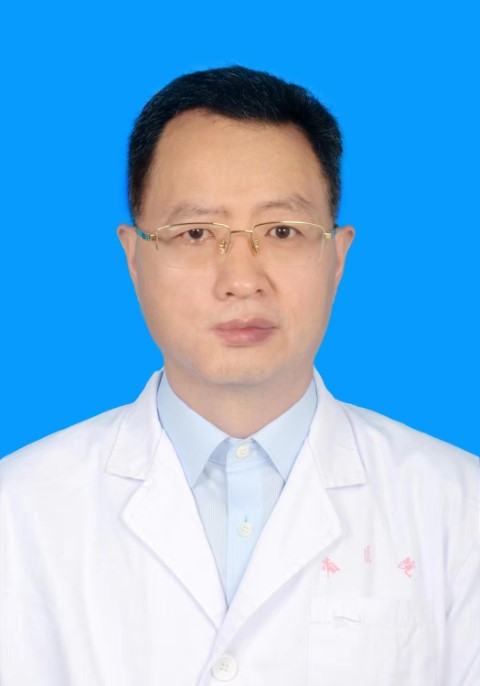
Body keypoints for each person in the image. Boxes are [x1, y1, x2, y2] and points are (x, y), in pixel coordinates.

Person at [0, 66, 478, 686]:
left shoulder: (459, 509)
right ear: (134, 256)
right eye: (197, 232)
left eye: (281, 231)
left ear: (337, 256)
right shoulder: (19, 510)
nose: (242, 279)